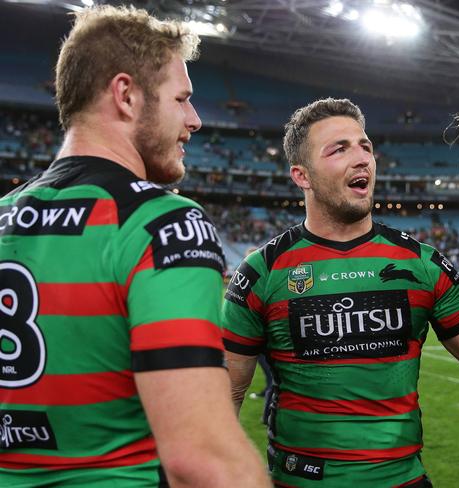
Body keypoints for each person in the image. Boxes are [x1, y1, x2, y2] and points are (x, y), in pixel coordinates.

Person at [0, 6, 270, 487]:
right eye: (182, 99)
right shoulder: (162, 223)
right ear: (126, 95)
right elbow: (204, 459)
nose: (195, 119)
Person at [222, 98, 459, 487]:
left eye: (365, 146)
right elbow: (228, 391)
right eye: (339, 149)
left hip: (403, 480)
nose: (362, 157)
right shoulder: (262, 273)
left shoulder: (421, 265)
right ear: (302, 175)